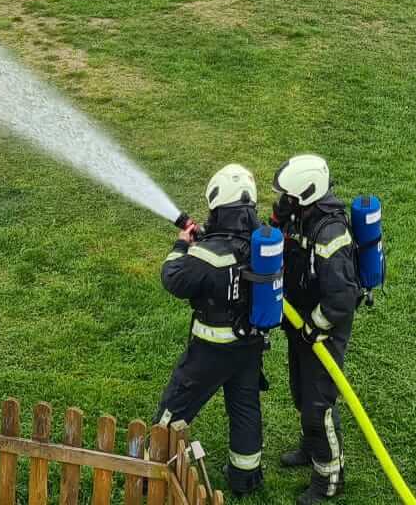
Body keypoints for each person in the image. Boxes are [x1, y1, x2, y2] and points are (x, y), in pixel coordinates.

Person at [151, 164, 268, 496]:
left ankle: (153, 469)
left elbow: (174, 279)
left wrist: (180, 246)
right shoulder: (262, 243)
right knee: (245, 407)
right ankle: (245, 476)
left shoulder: (206, 254)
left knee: (178, 403)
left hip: (211, 350)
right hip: (249, 346)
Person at [272, 154, 359, 502]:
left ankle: (329, 479)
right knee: (301, 391)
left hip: (324, 327)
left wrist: (315, 326)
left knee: (319, 404)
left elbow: (342, 297)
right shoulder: (302, 216)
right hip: (301, 321)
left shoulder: (331, 233)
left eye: (289, 196)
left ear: (307, 194)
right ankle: (310, 449)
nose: (284, 201)